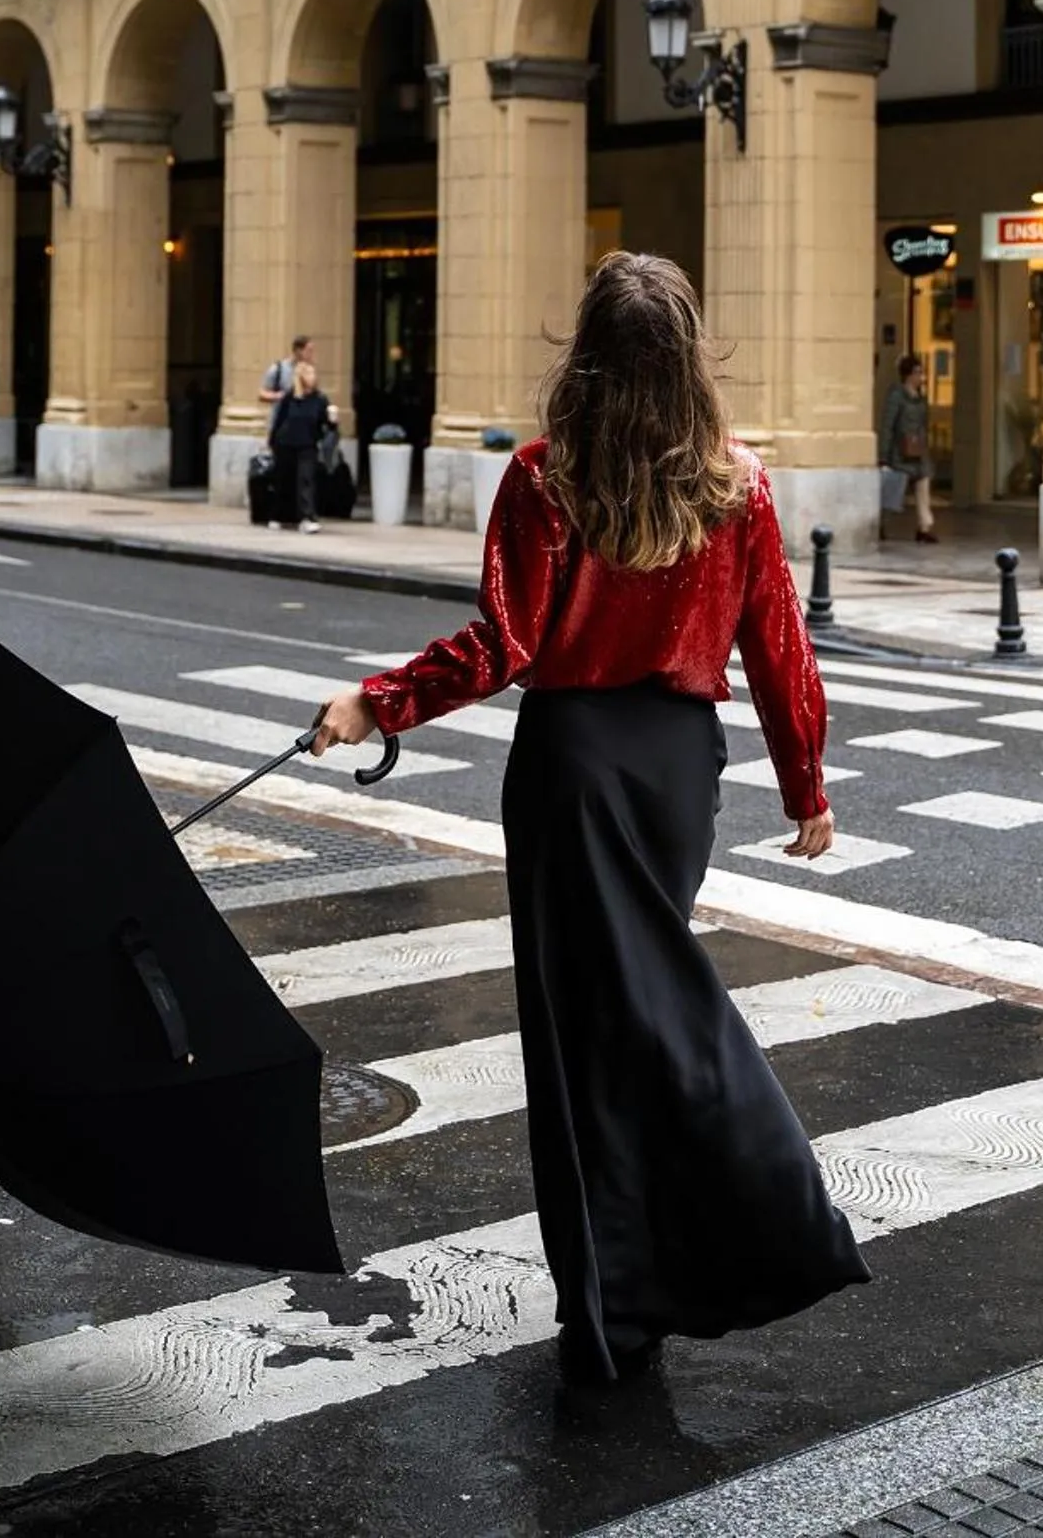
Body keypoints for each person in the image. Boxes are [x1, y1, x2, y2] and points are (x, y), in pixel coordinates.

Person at [309, 251, 869, 1386]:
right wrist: (805, 784)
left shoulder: (544, 478)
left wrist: (377, 702)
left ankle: (621, 1298)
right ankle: (688, 1255)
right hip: (676, 777)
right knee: (653, 1008)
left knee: (581, 1048)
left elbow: (502, 646)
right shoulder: (739, 484)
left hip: (570, 768)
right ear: (687, 363)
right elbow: (780, 651)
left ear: (590, 358)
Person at [269, 358, 336, 535]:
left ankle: (307, 517)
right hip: (286, 443)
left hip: (307, 444)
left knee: (306, 480)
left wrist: (332, 422)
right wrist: (272, 440)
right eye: (308, 373)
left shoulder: (320, 399)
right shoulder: (290, 398)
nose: (312, 376)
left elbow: (326, 424)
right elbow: (279, 420)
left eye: (313, 373)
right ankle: (278, 515)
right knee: (284, 480)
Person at [879, 351, 937, 542]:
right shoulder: (896, 396)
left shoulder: (920, 399)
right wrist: (884, 456)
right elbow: (888, 425)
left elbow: (923, 424)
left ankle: (924, 526)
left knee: (923, 482)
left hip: (917, 450)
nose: (921, 377)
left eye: (921, 372)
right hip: (899, 452)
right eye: (918, 372)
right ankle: (880, 523)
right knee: (893, 490)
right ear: (908, 375)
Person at [260, 334, 315, 440]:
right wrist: (279, 396)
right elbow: (262, 393)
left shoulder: (309, 370)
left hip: (304, 428)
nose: (311, 355)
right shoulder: (278, 369)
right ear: (299, 351)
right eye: (309, 351)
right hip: (281, 425)